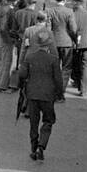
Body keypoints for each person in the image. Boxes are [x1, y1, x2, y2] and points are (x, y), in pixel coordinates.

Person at [18, 29, 63, 161]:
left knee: (33, 122)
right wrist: (59, 93)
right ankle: (41, 146)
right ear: (48, 45)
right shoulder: (54, 60)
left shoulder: (29, 57)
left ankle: (33, 147)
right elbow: (58, 79)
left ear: (37, 44)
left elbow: (22, 74)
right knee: (48, 121)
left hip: (32, 94)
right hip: (48, 95)